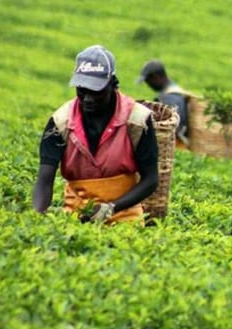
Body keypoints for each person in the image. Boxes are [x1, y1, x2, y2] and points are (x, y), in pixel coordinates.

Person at [32, 45, 158, 224]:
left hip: (124, 216)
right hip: (76, 216)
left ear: (113, 85)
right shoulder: (60, 122)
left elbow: (151, 179)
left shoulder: (137, 120)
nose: (88, 99)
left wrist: (111, 207)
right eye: (82, 90)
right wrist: (37, 217)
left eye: (96, 91)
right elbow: (45, 180)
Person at [137, 60, 190, 146]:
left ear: (156, 77)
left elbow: (172, 128)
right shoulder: (172, 90)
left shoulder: (170, 98)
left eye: (148, 81)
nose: (148, 85)